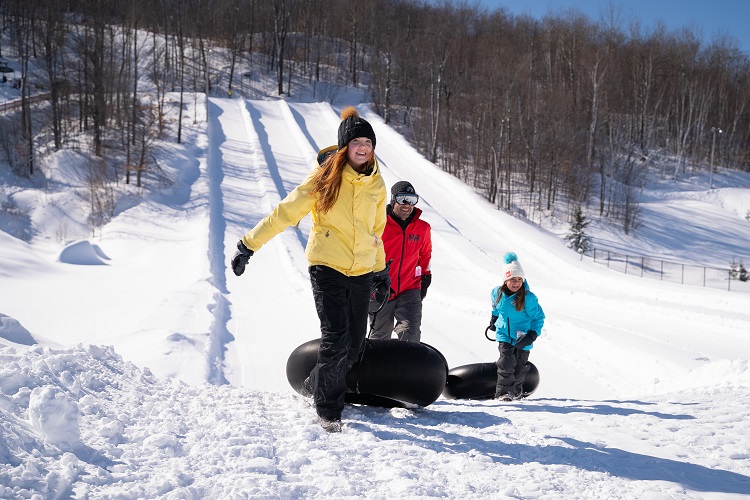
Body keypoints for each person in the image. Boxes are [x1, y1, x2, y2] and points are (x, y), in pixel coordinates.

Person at [231, 106, 389, 433]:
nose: (363, 148)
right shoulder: (325, 178)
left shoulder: (377, 183)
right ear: (345, 146)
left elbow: (377, 232)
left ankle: (316, 386)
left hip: (360, 272)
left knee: (356, 345)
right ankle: (329, 413)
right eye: (356, 141)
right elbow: (285, 213)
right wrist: (248, 245)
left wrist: (381, 271)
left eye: (368, 142)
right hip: (327, 266)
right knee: (336, 337)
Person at [369, 181, 432, 343]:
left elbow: (425, 255)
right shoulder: (378, 224)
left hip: (409, 289)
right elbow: (365, 254)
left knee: (410, 333)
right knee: (379, 338)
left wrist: (425, 277)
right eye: (402, 199)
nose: (407, 204)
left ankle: (409, 368)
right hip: (381, 290)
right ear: (393, 199)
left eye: (412, 200)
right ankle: (378, 368)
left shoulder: (422, 228)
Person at [488, 252, 545, 401]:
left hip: (523, 336)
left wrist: (532, 335)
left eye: (519, 279)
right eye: (513, 279)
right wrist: (494, 319)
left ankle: (516, 393)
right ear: (505, 280)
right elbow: (495, 307)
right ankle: (503, 394)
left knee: (520, 367)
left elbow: (538, 317)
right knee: (506, 363)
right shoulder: (497, 292)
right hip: (504, 333)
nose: (516, 282)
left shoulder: (528, 298)